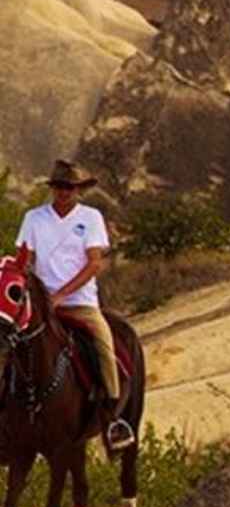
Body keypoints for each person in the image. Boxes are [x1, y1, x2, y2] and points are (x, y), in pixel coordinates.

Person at [13, 160, 135, 450]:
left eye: (69, 187)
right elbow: (23, 259)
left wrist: (61, 295)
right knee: (7, 341)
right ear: (52, 188)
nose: (63, 192)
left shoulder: (91, 218)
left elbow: (94, 264)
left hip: (80, 302)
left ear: (78, 190)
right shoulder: (34, 218)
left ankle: (111, 419)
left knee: (105, 347)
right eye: (59, 186)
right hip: (39, 304)